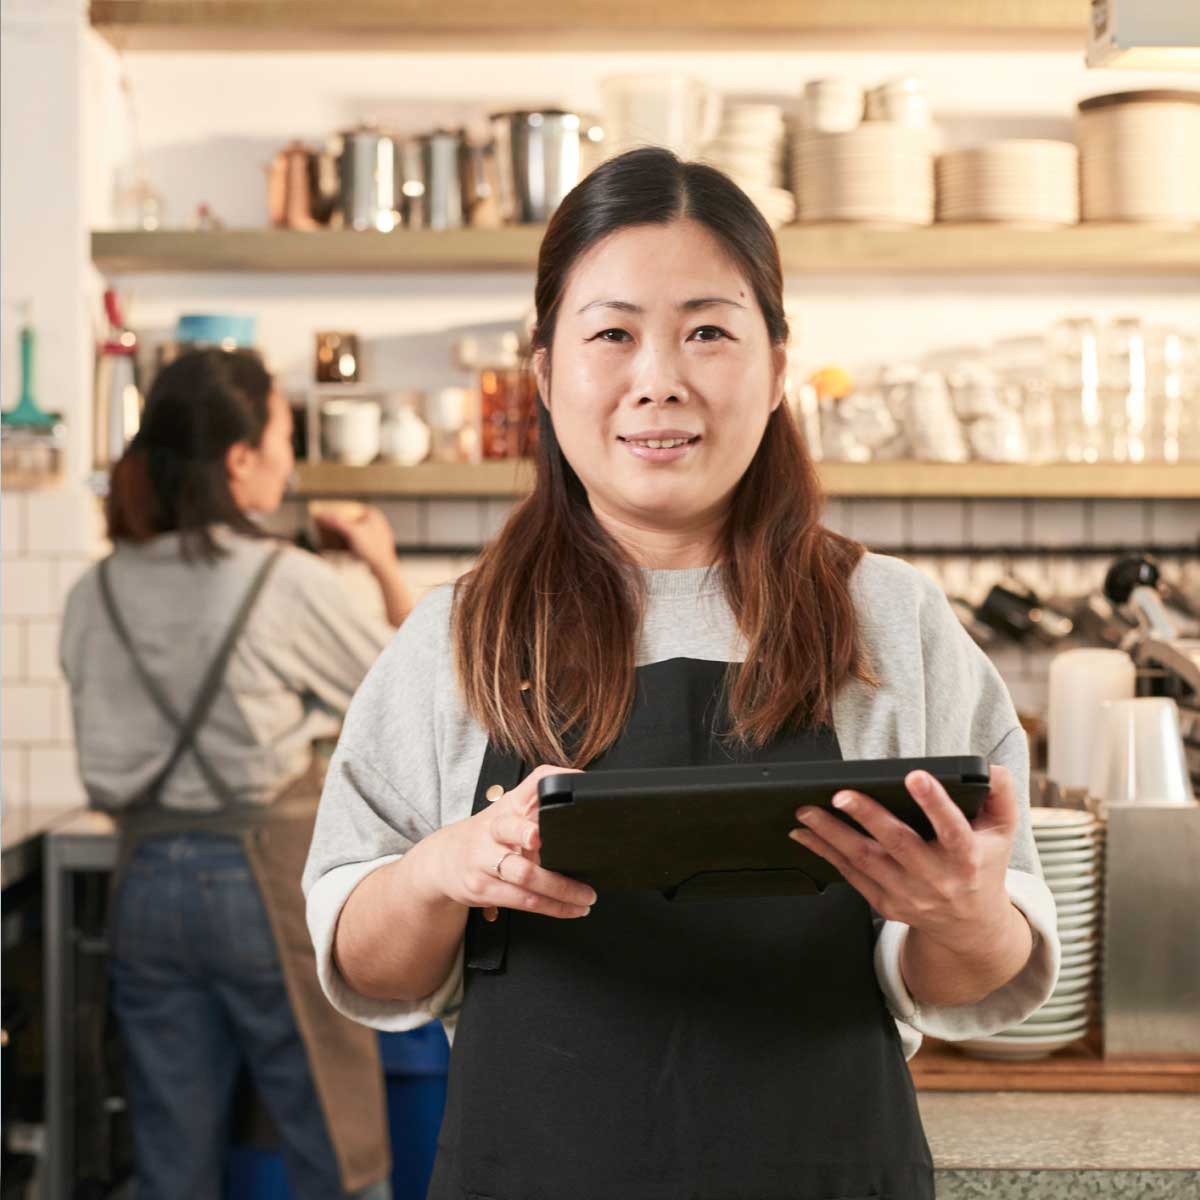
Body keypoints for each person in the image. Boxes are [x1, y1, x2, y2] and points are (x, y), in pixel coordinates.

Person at [302, 147, 1061, 1200]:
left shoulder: (892, 623)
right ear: (544, 373)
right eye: (612, 333)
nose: (658, 378)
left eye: (708, 331)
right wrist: (440, 871)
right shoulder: (459, 636)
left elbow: (970, 972)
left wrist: (964, 913)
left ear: (778, 364)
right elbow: (368, 966)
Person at [61, 348, 409, 1200]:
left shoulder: (94, 590)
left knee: (173, 1166)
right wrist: (383, 564)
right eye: (286, 435)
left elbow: (100, 764)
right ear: (241, 458)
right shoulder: (281, 580)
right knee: (338, 1151)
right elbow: (409, 705)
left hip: (141, 883)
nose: (291, 459)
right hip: (265, 886)